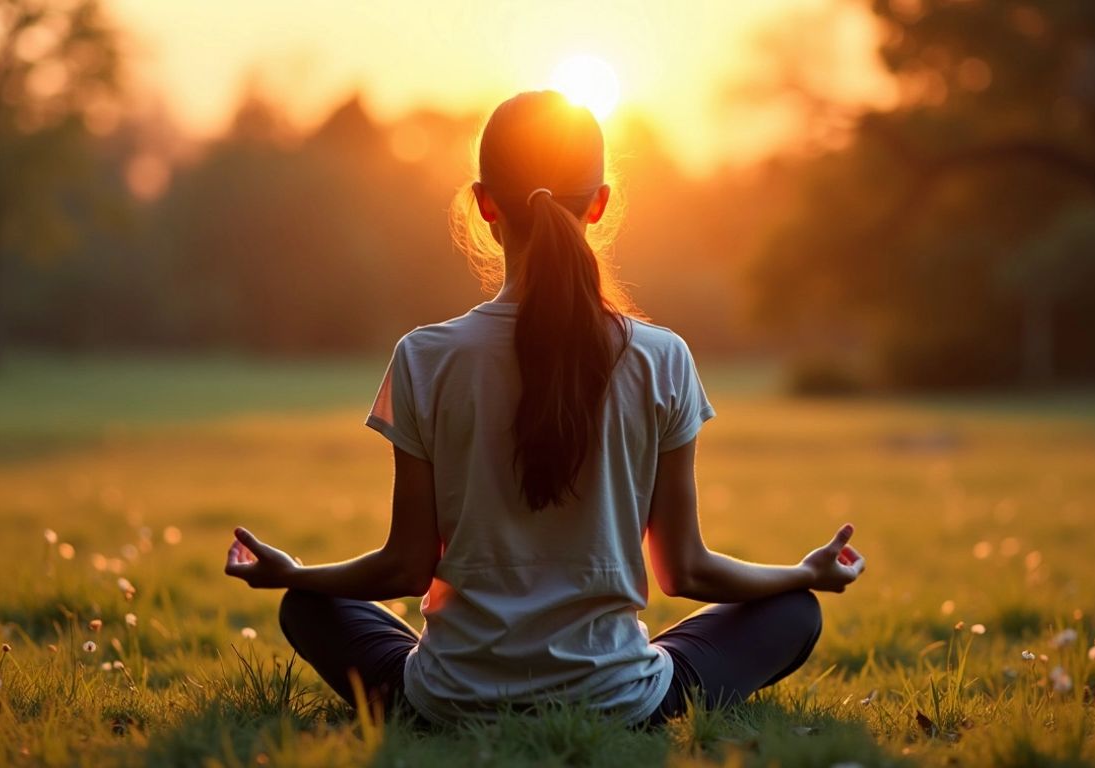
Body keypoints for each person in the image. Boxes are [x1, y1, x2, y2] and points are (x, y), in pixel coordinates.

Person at [224, 90, 866, 727]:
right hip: (619, 703)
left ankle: (436, 693)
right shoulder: (661, 357)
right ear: (601, 204)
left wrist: (296, 572)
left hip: (449, 699)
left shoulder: (424, 356)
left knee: (305, 604)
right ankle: (622, 683)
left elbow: (406, 565)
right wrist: (800, 571)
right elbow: (684, 569)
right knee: (795, 610)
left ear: (483, 203)